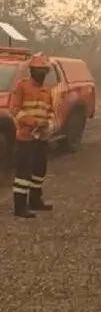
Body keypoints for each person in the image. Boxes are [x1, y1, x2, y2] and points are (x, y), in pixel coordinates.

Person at [10, 52, 56, 218]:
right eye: (38, 70)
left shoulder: (47, 90)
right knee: (23, 173)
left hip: (42, 137)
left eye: (44, 71)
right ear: (32, 71)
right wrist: (32, 122)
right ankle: (20, 207)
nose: (41, 74)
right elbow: (15, 109)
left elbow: (51, 111)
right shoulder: (22, 86)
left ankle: (35, 200)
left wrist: (49, 125)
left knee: (39, 171)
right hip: (25, 137)